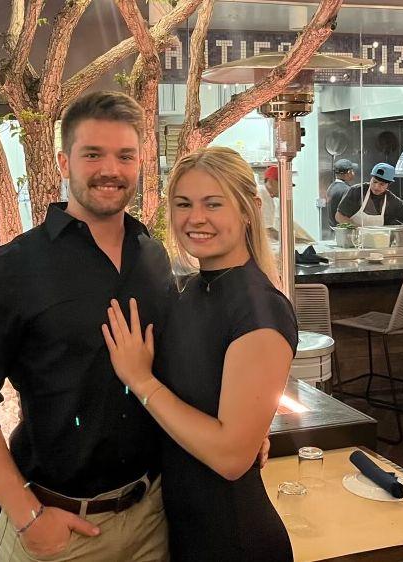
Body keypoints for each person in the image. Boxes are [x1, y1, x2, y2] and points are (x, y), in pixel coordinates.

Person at [0, 92, 269, 562]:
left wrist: (241, 426)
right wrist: (27, 515)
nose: (110, 169)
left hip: (155, 516)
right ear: (63, 162)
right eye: (93, 154)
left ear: (140, 163)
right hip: (59, 527)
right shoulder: (13, 267)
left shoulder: (152, 256)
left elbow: (173, 364)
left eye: (125, 156)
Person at [103, 146, 298, 562]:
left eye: (213, 204)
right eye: (183, 204)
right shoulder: (190, 290)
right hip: (180, 531)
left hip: (233, 541)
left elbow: (230, 457)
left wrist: (141, 381)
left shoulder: (261, 309)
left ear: (248, 210)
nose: (196, 218)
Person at [336, 162, 403, 226]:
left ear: (388, 185)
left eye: (382, 184)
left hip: (379, 239)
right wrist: (356, 230)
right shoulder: (357, 191)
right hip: (354, 238)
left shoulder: (392, 200)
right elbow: (339, 216)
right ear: (371, 178)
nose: (376, 187)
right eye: (374, 182)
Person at [326, 158, 358, 227]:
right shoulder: (347, 190)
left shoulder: (331, 187)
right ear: (348, 172)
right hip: (344, 229)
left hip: (334, 229)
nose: (353, 173)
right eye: (352, 171)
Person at [258, 165, 278, 230]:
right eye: (282, 184)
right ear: (271, 182)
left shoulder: (270, 196)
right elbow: (267, 230)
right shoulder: (262, 194)